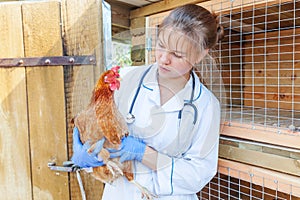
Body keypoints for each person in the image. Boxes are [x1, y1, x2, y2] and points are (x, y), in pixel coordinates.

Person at [71, 4, 224, 200]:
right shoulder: (125, 79)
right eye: (160, 46)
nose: (163, 59)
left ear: (201, 54)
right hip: (120, 193)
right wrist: (87, 155)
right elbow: (99, 131)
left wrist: (143, 153)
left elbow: (198, 174)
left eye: (177, 54)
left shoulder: (206, 105)